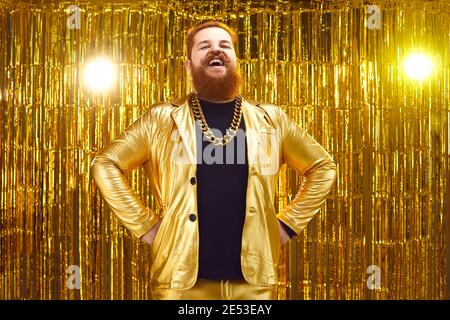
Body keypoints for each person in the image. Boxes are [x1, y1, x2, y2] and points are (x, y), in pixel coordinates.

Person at [90, 19, 337, 300]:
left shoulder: (272, 119)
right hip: (180, 281)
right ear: (188, 64)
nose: (215, 50)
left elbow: (323, 167)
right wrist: (146, 225)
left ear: (234, 59)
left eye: (224, 46)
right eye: (204, 46)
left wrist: (287, 224)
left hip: (253, 283)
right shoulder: (160, 120)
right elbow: (105, 163)